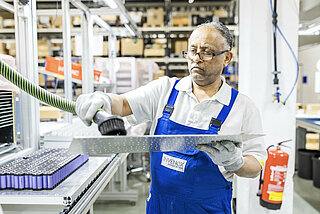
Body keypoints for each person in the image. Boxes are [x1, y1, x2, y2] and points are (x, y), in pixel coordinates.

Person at [76, 21, 266, 214]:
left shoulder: (243, 107)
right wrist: (104, 99)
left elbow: (256, 164)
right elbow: (123, 104)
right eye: (192, 51)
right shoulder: (165, 90)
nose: (196, 59)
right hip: (160, 207)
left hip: (208, 209)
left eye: (207, 52)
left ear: (227, 57)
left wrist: (236, 162)